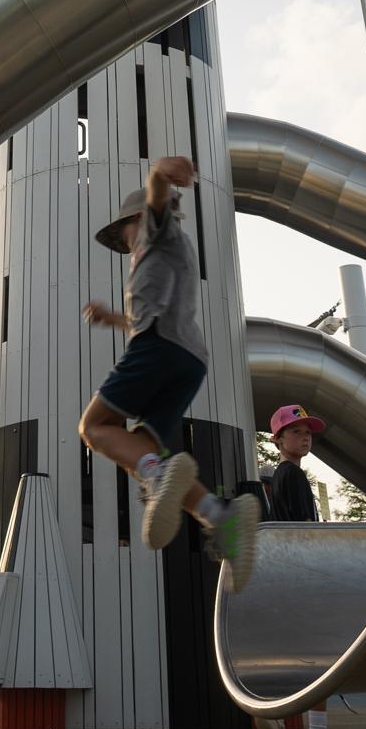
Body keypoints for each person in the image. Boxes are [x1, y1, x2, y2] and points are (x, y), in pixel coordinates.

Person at [78, 155, 260, 588]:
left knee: (95, 426)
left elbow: (157, 196)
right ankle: (221, 515)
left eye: (124, 233)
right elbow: (151, 314)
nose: (125, 244)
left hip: (158, 348)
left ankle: (159, 477)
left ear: (137, 218)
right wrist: (113, 319)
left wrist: (159, 172)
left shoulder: (156, 231)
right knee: (141, 451)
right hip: (188, 360)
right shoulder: (165, 257)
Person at [252, 403, 352, 729]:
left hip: (290, 573)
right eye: (295, 431)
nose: (305, 436)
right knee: (320, 659)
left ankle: (274, 706)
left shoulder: (281, 477)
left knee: (304, 656)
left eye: (308, 431)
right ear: (277, 439)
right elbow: (302, 531)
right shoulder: (292, 477)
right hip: (304, 573)